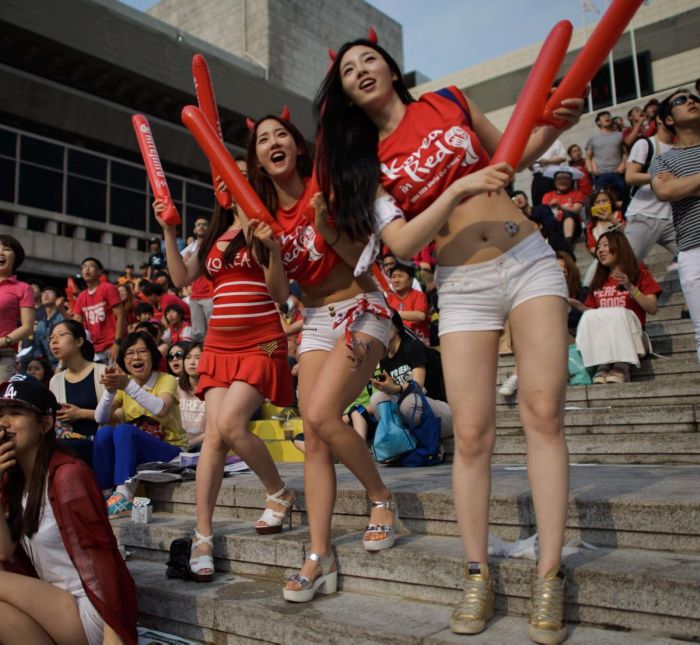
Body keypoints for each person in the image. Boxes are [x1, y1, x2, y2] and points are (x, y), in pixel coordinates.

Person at [314, 35, 582, 642]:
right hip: (462, 283)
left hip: (528, 259)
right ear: (346, 96)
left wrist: (552, 124)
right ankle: (476, 574)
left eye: (367, 60)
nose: (360, 71)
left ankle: (549, 575)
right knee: (473, 432)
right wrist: (456, 190)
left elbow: (515, 154)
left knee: (543, 413)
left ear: (389, 67)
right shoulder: (368, 165)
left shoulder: (448, 101)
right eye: (348, 70)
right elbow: (405, 243)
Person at [243, 111, 401, 604]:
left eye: (280, 135)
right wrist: (268, 251)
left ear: (296, 145)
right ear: (258, 162)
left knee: (321, 413)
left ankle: (381, 498)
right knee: (313, 435)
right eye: (263, 140)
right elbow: (278, 292)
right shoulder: (261, 214)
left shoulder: (324, 186)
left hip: (362, 308)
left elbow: (361, 253)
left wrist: (322, 223)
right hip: (312, 321)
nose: (273, 142)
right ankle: (318, 554)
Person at [153, 162, 296, 583]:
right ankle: (203, 536)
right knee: (214, 436)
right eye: (219, 173)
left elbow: (280, 293)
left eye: (234, 172)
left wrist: (267, 245)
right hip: (218, 345)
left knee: (232, 424)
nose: (224, 178)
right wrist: (168, 229)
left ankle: (279, 491)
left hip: (265, 341)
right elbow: (182, 278)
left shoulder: (266, 226)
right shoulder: (214, 235)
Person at [0, 376, 137, 644]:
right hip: (54, 603)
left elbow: (104, 556)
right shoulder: (15, 480)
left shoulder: (68, 476)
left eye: (15, 414)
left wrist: (114, 635)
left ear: (46, 423)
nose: (4, 423)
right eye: (0, 414)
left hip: (91, 609)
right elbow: (4, 552)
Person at [92, 331, 188, 519]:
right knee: (105, 433)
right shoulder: (127, 384)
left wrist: (128, 386)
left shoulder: (165, 379)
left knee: (124, 430)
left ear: (152, 356)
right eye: (129, 353)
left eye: (142, 351)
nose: (136, 357)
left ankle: (123, 496)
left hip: (171, 450)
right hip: (138, 449)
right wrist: (110, 392)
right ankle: (103, 493)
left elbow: (161, 409)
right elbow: (100, 418)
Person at [571, 231, 661, 383]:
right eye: (598, 247)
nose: (600, 250)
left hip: (635, 340)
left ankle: (622, 365)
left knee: (618, 312)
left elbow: (652, 308)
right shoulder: (599, 280)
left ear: (620, 248)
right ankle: (604, 363)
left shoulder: (640, 275)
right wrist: (579, 306)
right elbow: (596, 316)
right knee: (589, 316)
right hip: (605, 342)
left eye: (605, 245)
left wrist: (630, 287)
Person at [650, 89, 700, 360]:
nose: (691, 101)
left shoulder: (670, 166)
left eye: (694, 98)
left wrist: (684, 184)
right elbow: (665, 192)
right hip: (693, 250)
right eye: (681, 101)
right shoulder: (663, 160)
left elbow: (673, 189)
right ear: (668, 120)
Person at [369, 310, 452, 439]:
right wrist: (385, 387)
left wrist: (395, 388)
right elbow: (394, 394)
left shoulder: (413, 346)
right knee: (377, 399)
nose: (382, 329)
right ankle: (399, 442)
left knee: (408, 403)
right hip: (412, 414)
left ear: (397, 326)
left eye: (386, 323)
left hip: (441, 412)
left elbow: (418, 385)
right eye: (378, 326)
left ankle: (431, 447)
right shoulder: (384, 358)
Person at [48, 320, 105, 467]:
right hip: (69, 446)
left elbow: (120, 414)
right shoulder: (55, 381)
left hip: (100, 444)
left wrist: (81, 414)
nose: (54, 341)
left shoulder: (102, 372)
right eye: (51, 338)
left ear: (79, 341)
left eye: (61, 335)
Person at [624, 113, 677, 263]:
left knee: (694, 255)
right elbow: (630, 177)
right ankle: (590, 286)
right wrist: (658, 176)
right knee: (625, 264)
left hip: (672, 218)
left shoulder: (679, 148)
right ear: (661, 118)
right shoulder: (646, 144)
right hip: (644, 216)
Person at [71, 258, 125, 364]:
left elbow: (121, 316)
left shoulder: (108, 288)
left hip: (112, 345)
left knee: (114, 379)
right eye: (84, 267)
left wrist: (117, 343)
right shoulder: (81, 296)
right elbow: (76, 324)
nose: (87, 269)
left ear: (100, 272)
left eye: (91, 266)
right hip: (94, 350)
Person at [0, 235, 35, 381]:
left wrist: (2, 342)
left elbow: (28, 327)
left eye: (6, 249)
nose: (1, 252)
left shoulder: (23, 288)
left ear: (16, 258)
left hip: (3, 356)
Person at [181, 217, 214, 341]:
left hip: (210, 294)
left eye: (204, 224)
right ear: (194, 230)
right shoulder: (190, 247)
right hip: (195, 295)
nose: (201, 227)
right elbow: (179, 267)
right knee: (198, 335)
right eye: (198, 225)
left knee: (213, 331)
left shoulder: (213, 243)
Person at [585, 110, 627, 197]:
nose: (607, 117)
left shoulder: (620, 135)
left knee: (623, 198)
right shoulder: (593, 138)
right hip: (600, 175)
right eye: (603, 116)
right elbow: (588, 157)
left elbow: (626, 153)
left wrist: (623, 165)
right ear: (598, 122)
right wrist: (591, 169)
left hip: (618, 173)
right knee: (602, 200)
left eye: (608, 115)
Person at [386, 262, 429, 343]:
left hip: (417, 341)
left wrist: (395, 315)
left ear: (411, 280)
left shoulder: (419, 295)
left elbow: (420, 315)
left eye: (400, 276)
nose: (396, 280)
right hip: (396, 341)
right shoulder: (389, 298)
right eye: (393, 277)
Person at [541, 169, 585, 242]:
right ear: (555, 181)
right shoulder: (548, 196)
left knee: (568, 213)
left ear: (571, 181)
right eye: (559, 178)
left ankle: (568, 241)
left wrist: (560, 207)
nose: (563, 181)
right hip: (555, 226)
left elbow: (576, 210)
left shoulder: (577, 193)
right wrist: (550, 207)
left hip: (574, 228)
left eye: (566, 178)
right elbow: (543, 215)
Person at [177, 341, 205, 450]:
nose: (192, 362)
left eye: (198, 357)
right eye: (188, 358)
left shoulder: (213, 391)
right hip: (176, 446)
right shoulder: (175, 385)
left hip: (203, 445)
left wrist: (189, 444)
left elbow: (214, 430)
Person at [33, 286, 64, 370]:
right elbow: (38, 348)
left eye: (50, 292)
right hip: (48, 365)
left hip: (64, 363)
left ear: (58, 298)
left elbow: (66, 346)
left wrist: (60, 365)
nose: (45, 295)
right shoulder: (40, 323)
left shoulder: (62, 318)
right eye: (43, 293)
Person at [529, 139, 566, 206]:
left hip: (551, 175)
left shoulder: (555, 141)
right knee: (537, 202)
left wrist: (548, 161)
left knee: (552, 201)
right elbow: (530, 167)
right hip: (538, 175)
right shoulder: (532, 143)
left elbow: (562, 157)